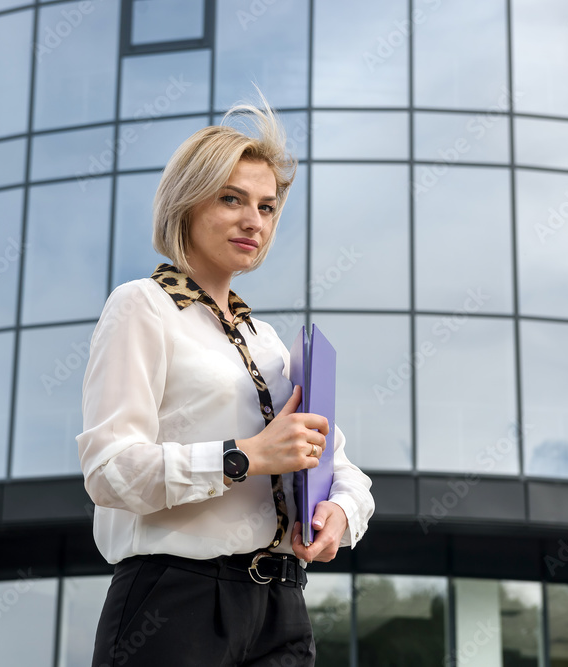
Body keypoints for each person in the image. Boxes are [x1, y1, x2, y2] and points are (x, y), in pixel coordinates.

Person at [76, 94, 375, 667]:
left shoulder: (267, 341)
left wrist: (341, 512)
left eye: (266, 207)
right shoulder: (142, 306)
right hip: (175, 603)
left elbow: (343, 470)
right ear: (186, 203)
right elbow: (110, 472)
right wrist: (244, 457)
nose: (253, 221)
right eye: (232, 199)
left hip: (282, 609)